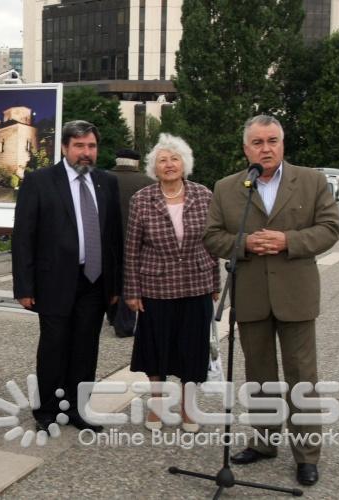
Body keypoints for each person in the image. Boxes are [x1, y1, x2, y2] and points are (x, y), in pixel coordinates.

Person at [203, 115, 339, 487]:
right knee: (260, 378)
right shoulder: (228, 187)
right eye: (258, 142)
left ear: (283, 144)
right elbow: (213, 236)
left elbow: (330, 228)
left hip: (296, 296)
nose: (266, 148)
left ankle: (306, 455)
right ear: (246, 148)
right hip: (250, 296)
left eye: (273, 141)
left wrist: (288, 241)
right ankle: (264, 443)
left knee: (303, 379)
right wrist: (245, 243)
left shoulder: (310, 181)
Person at [12, 120, 121, 433]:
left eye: (91, 146)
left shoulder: (107, 182)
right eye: (79, 146)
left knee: (86, 348)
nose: (86, 153)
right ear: (64, 148)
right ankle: (46, 411)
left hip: (94, 282)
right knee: (54, 347)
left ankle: (77, 408)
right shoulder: (40, 181)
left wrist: (115, 284)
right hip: (54, 281)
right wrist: (24, 286)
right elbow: (23, 237)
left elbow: (114, 237)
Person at [122, 133, 220, 433]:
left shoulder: (204, 195)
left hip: (196, 285)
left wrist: (215, 283)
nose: (169, 165)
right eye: (162, 160)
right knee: (156, 350)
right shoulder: (142, 199)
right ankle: (157, 406)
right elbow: (132, 248)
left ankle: (189, 410)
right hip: (156, 288)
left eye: (174, 158)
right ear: (154, 167)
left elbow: (213, 243)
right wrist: (132, 290)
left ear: (184, 163)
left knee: (193, 350)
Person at [106, 148, 155, 338]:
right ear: (136, 162)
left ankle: (111, 315)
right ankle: (124, 324)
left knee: (111, 277)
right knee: (129, 280)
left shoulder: (102, 178)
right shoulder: (148, 183)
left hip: (107, 240)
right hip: (136, 239)